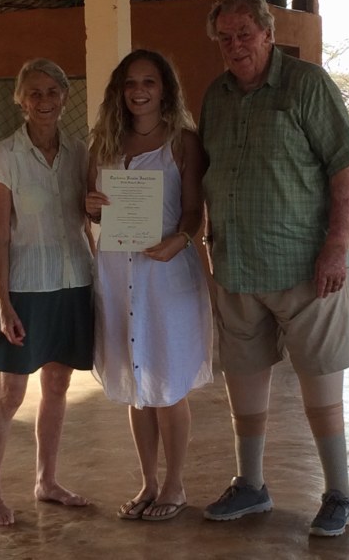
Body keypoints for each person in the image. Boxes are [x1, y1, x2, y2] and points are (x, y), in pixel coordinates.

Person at [199, 0, 349, 537]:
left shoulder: (306, 84)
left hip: (306, 268)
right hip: (237, 267)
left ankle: (338, 493)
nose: (235, 45)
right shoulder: (216, 96)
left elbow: (345, 170)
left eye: (245, 32)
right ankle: (251, 485)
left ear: (268, 33)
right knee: (243, 385)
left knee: (322, 386)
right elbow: (204, 170)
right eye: (225, 37)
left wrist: (336, 245)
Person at [86, 49, 213, 522]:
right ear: (119, 90)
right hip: (118, 274)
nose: (139, 91)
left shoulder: (183, 143)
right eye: (130, 83)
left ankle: (175, 485)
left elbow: (194, 211)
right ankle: (148, 483)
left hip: (167, 273)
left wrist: (179, 241)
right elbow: (92, 209)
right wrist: (94, 207)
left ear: (165, 89)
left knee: (168, 383)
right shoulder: (104, 144)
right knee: (137, 382)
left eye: (149, 82)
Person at [0, 58, 94, 526]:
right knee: (9, 393)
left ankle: (47, 481)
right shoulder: (4, 156)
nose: (44, 101)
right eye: (34, 93)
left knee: (59, 385)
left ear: (65, 96)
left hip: (74, 281)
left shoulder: (81, 152)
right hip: (26, 287)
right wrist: (3, 303)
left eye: (52, 92)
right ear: (21, 101)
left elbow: (87, 217)